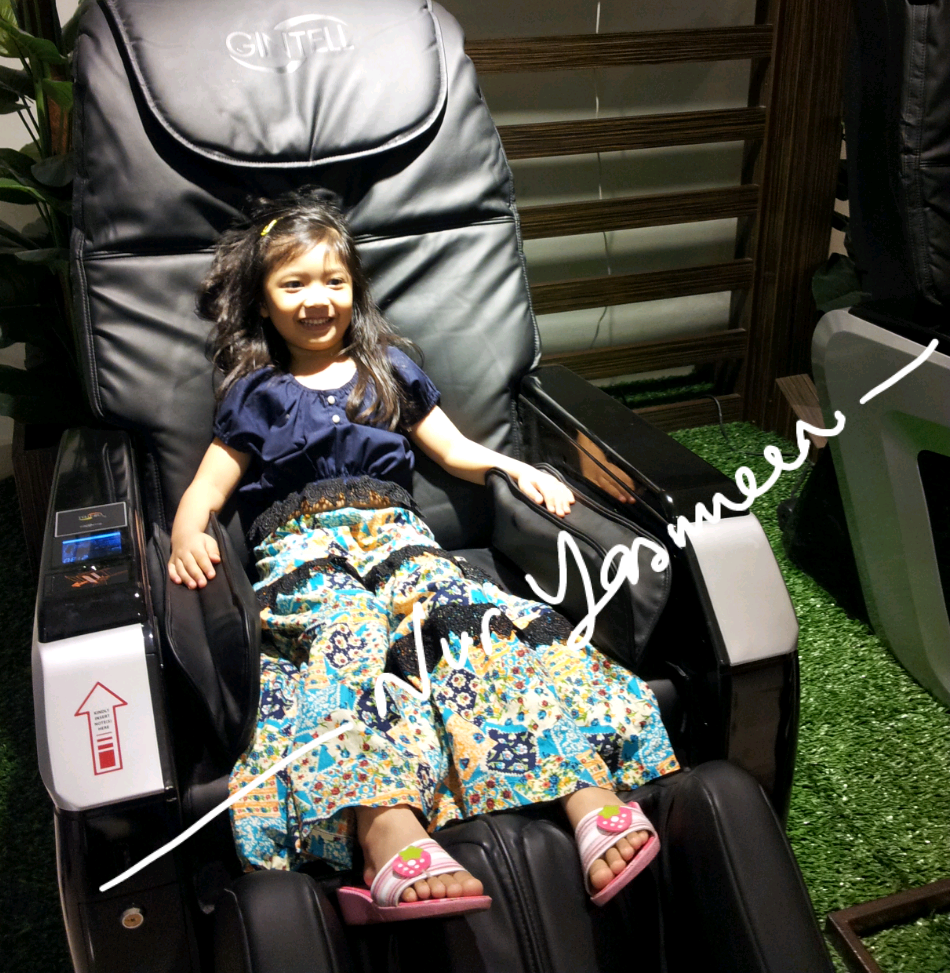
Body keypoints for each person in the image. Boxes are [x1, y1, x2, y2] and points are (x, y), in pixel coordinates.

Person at [168, 188, 679, 924]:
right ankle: (384, 830)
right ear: (263, 302)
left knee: (469, 617)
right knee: (350, 636)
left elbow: (454, 449)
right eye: (294, 284)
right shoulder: (257, 394)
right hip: (302, 548)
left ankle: (585, 793)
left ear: (355, 289)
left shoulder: (388, 369)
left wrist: (514, 467)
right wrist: (189, 533)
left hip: (400, 537)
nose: (318, 299)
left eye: (333, 281)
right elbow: (208, 489)